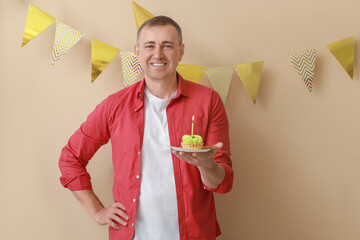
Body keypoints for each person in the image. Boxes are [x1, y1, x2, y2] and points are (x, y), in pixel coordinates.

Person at [59, 15, 233, 240]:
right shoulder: (115, 106)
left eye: (167, 46)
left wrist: (207, 165)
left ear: (181, 52)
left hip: (195, 234)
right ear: (137, 52)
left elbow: (223, 183)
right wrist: (97, 211)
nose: (158, 54)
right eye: (149, 46)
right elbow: (70, 157)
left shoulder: (208, 101)